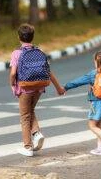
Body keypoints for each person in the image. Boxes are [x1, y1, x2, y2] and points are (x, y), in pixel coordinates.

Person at [9, 23, 65, 157]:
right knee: (30, 111)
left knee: (24, 117)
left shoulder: (17, 53)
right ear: (32, 37)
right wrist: (59, 88)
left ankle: (27, 147)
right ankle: (36, 133)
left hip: (25, 88)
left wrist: (12, 84)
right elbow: (49, 72)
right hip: (39, 87)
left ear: (19, 37)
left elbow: (13, 73)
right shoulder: (40, 52)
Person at [63, 50, 101, 155]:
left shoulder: (93, 74)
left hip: (96, 103)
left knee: (92, 125)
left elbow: (78, 81)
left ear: (95, 61)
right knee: (99, 126)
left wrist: (66, 87)